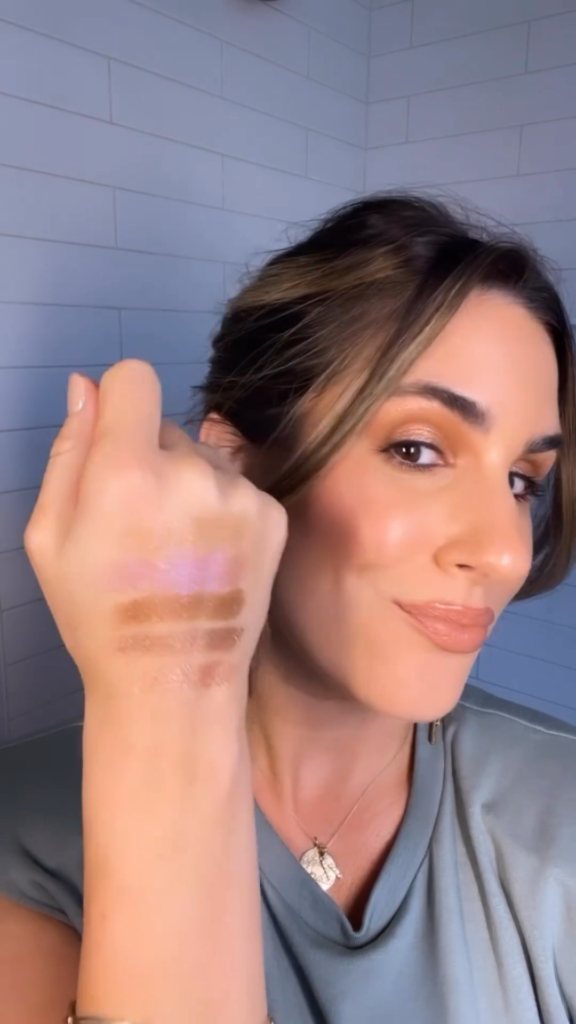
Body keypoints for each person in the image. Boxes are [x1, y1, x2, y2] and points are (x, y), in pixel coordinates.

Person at [0, 191, 575, 1024]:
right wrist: (168, 695)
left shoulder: (557, 810)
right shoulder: (27, 831)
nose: (505, 553)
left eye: (523, 481)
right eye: (418, 450)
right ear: (233, 465)